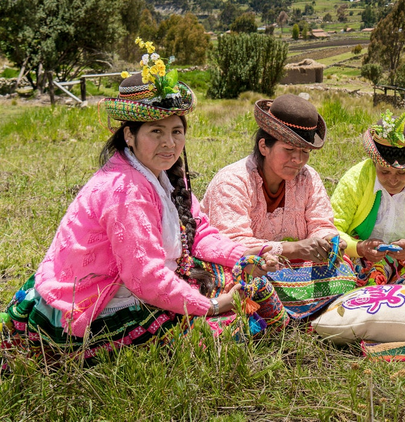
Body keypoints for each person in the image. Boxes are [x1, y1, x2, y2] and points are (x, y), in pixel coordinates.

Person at [2, 57, 285, 359]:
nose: (169, 143)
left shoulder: (163, 174)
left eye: (176, 131)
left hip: (138, 285)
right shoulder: (126, 191)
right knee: (223, 327)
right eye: (156, 132)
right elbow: (146, 277)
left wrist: (245, 257)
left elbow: (198, 233)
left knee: (244, 281)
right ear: (129, 135)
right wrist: (212, 306)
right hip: (95, 305)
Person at [202, 94, 357, 319]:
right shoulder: (232, 182)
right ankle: (300, 309)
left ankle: (284, 310)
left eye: (305, 152)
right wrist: (292, 249)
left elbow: (321, 223)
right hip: (252, 268)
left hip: (292, 268)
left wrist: (327, 241)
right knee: (245, 283)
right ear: (264, 146)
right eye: (289, 150)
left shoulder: (308, 178)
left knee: (344, 273)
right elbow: (232, 244)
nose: (298, 160)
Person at [331, 111, 405, 286]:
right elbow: (332, 230)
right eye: (384, 172)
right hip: (363, 260)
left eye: (403, 173)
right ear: (374, 163)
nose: (393, 180)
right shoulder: (355, 179)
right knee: (336, 270)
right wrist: (360, 248)